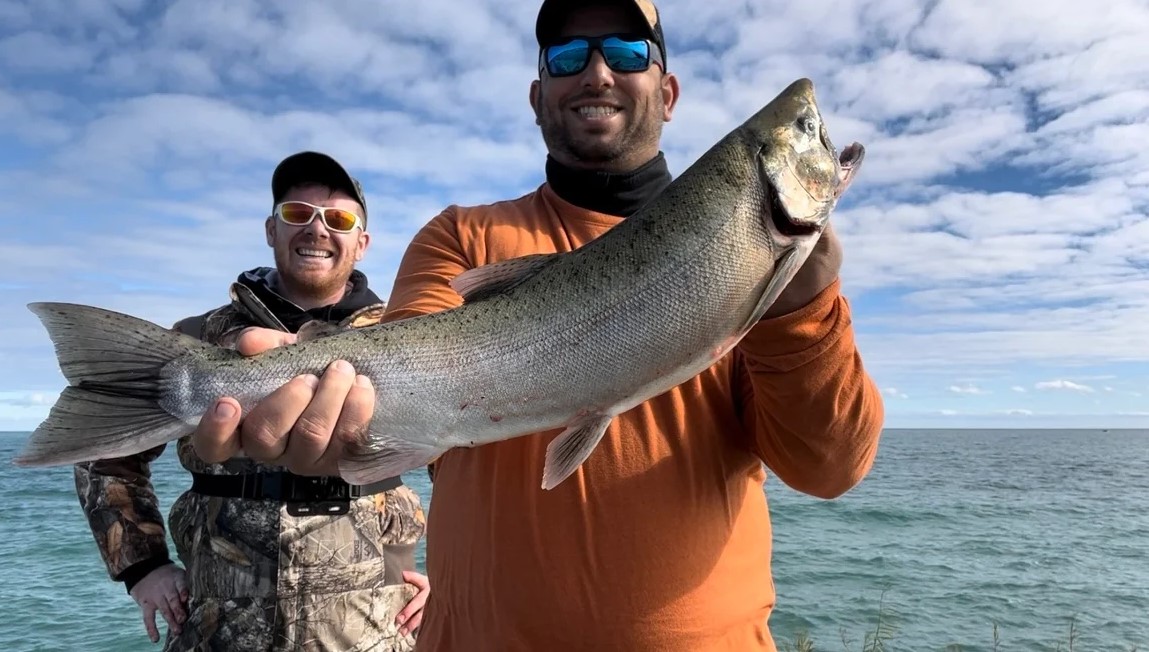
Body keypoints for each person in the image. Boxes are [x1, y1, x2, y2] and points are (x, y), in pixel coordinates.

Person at [187, 1, 885, 650]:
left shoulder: (751, 259)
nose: (597, 71)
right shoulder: (462, 234)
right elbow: (402, 397)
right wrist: (331, 421)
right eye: (566, 56)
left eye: (625, 49)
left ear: (667, 93)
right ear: (536, 96)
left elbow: (826, 468)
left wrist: (805, 301)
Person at [73, 151, 430, 652]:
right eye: (297, 214)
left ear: (362, 243)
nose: (317, 229)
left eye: (339, 219)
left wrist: (455, 570)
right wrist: (143, 566)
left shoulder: (416, 336)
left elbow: (464, 460)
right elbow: (103, 452)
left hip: (376, 626)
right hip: (217, 627)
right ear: (271, 229)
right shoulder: (195, 338)